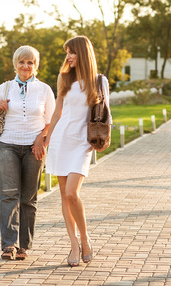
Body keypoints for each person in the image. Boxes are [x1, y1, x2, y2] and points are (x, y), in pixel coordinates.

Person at [44, 36, 112, 266]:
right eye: (67, 53)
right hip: (62, 139)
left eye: (72, 52)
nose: (68, 57)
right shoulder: (64, 78)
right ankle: (74, 244)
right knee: (64, 194)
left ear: (82, 53)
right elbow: (57, 113)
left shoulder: (99, 81)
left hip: (82, 142)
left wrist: (104, 138)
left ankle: (85, 238)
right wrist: (46, 139)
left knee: (72, 193)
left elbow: (106, 114)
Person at [0, 45, 55, 260]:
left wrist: (40, 139)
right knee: (9, 195)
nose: (26, 66)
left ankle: (24, 245)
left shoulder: (44, 90)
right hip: (7, 144)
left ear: (36, 66)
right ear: (15, 64)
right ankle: (9, 245)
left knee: (28, 197)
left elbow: (52, 121)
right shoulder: (4, 87)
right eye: (22, 62)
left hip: (34, 147)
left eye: (30, 62)